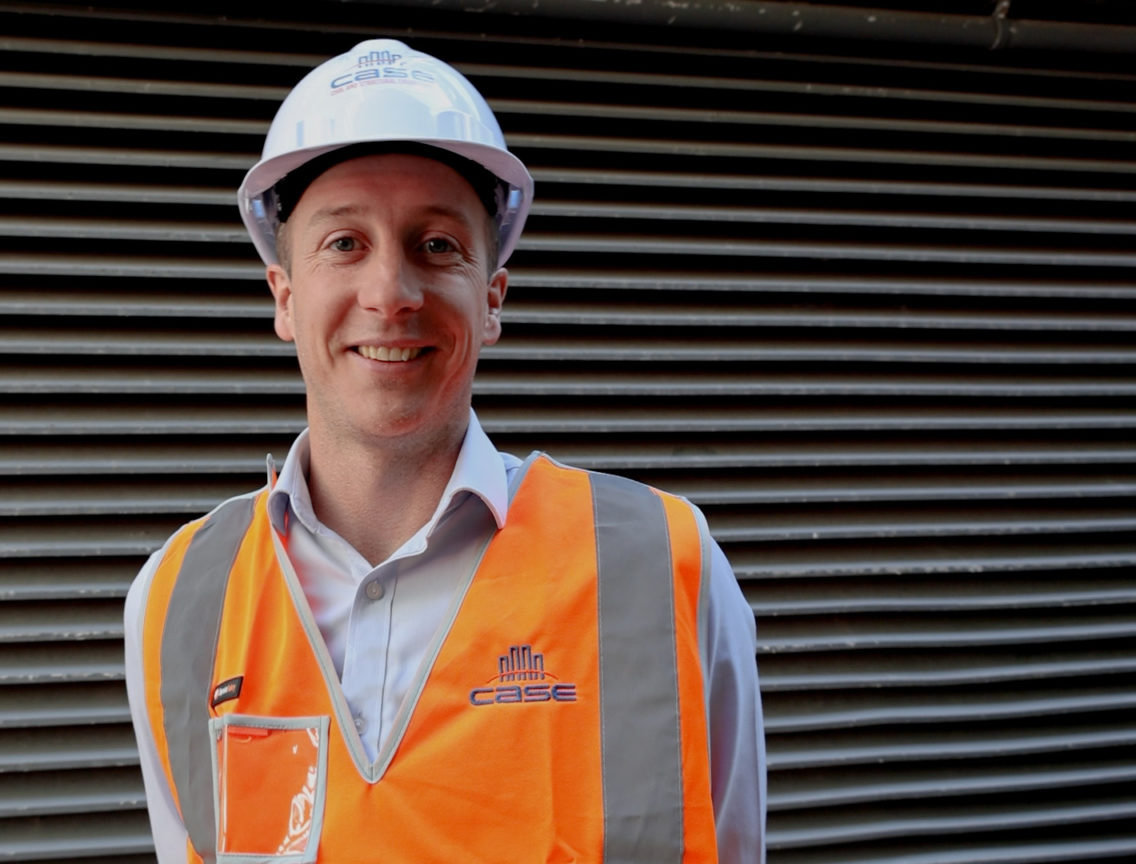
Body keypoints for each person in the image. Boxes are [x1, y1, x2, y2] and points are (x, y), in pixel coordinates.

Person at [124, 38, 765, 863]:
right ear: (284, 297)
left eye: (437, 245)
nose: (391, 293)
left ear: (491, 299)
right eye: (344, 243)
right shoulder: (178, 599)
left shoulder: (663, 564)